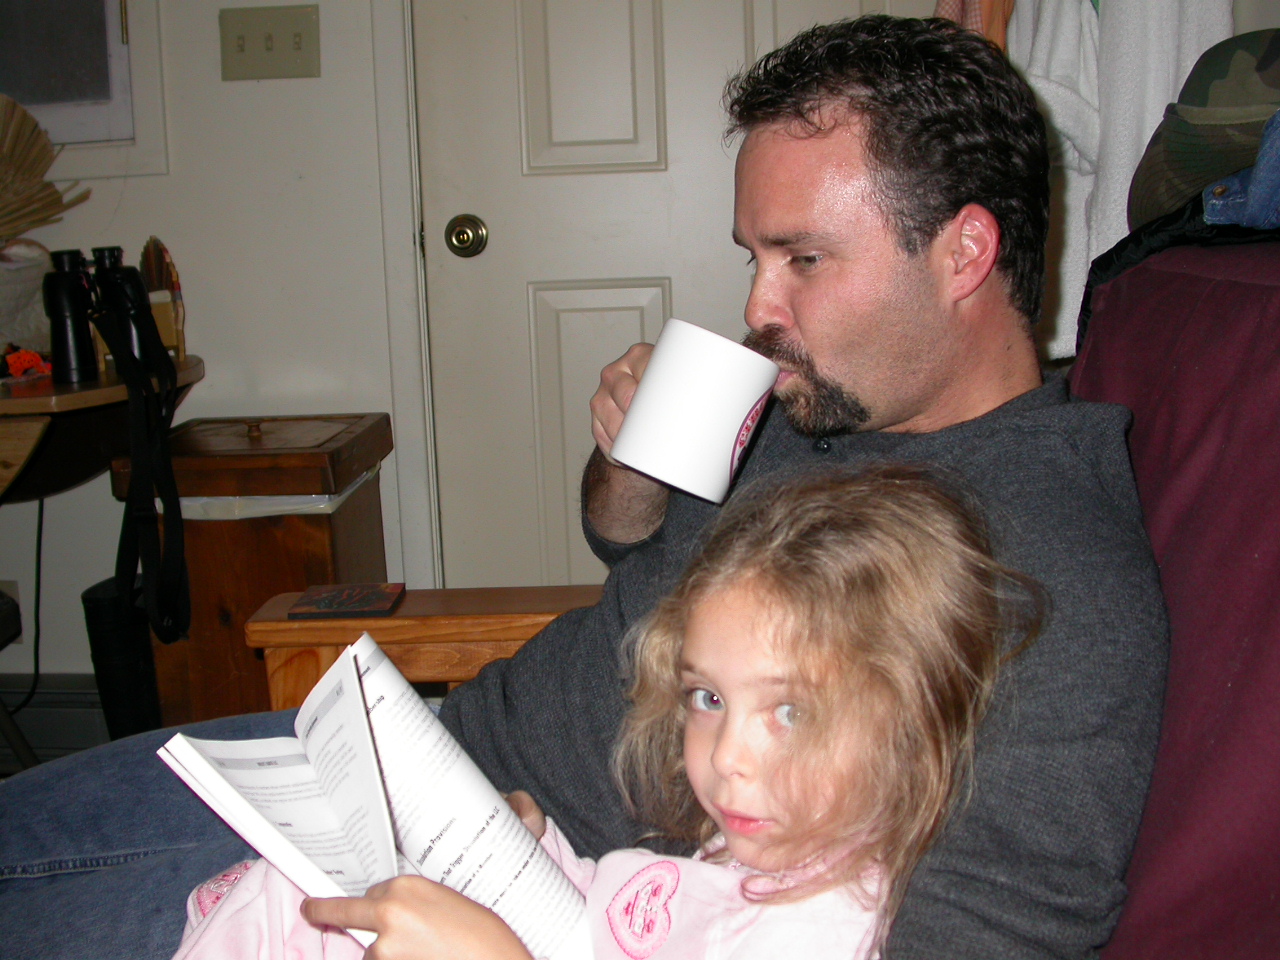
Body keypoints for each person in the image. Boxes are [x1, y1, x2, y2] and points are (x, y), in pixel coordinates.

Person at [0, 16, 1167, 960]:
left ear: (963, 253)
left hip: (492, 896)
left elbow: (974, 933)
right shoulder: (819, 397)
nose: (758, 307)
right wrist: (627, 471)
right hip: (423, 760)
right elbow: (624, 544)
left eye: (802, 259)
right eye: (753, 255)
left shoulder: (1046, 581)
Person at [172, 467, 1043, 960]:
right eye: (708, 699)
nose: (728, 757)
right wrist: (528, 855)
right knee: (304, 891)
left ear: (907, 729)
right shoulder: (761, 851)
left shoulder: (824, 931)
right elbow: (619, 927)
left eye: (790, 713)